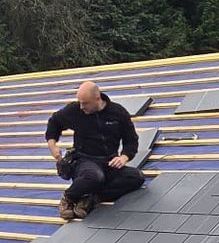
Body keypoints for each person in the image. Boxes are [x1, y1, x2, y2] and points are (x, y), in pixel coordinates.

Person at [46, 81, 145, 220]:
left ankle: (91, 198)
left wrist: (124, 157)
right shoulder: (75, 111)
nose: (81, 107)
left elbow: (131, 141)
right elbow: (54, 122)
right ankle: (68, 198)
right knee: (95, 176)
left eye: (85, 103)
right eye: (80, 102)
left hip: (109, 162)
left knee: (136, 177)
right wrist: (52, 144)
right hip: (84, 161)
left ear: (97, 99)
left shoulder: (117, 113)